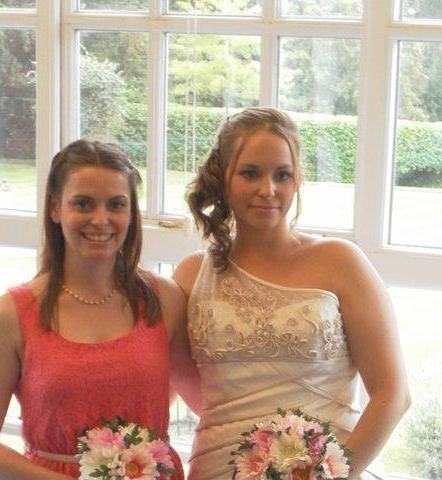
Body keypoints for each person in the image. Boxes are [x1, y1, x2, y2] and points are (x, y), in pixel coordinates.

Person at [172, 107, 411, 480]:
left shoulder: (340, 261)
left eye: (282, 175)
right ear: (223, 179)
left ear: (296, 180)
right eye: (250, 173)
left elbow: (392, 394)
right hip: (217, 470)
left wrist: (330, 473)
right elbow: (184, 386)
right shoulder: (190, 276)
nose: (268, 190)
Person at [0, 139, 188, 479]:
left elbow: (199, 393)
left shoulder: (165, 300)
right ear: (55, 208)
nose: (101, 220)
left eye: (116, 205)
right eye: (83, 204)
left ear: (131, 213)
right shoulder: (11, 315)